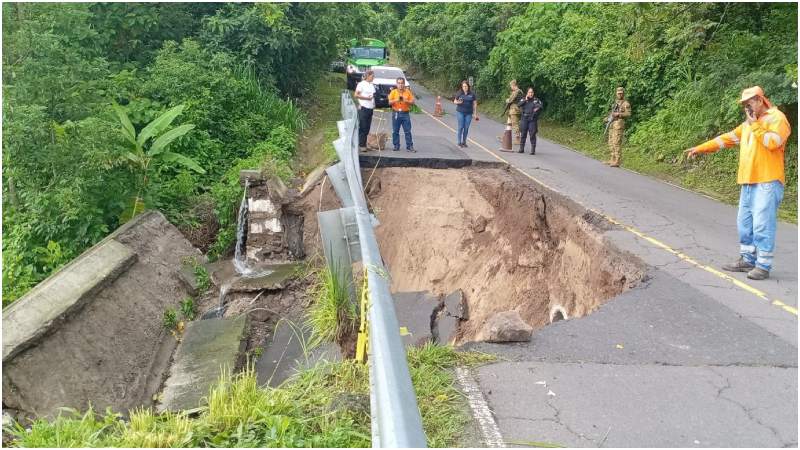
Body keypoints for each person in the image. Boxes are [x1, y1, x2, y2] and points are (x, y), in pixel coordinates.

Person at [684, 86, 791, 280]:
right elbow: (726, 139)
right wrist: (700, 148)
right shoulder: (747, 125)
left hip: (767, 180)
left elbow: (773, 142)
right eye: (744, 105)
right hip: (748, 181)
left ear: (760, 100)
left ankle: (763, 266)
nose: (746, 108)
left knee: (762, 224)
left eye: (749, 103)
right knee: (744, 223)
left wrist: (755, 125)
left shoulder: (777, 118)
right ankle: (748, 259)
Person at [604, 87, 631, 167]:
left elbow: (628, 114)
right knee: (611, 142)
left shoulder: (626, 104)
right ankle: (612, 159)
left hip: (619, 125)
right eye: (618, 93)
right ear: (616, 94)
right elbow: (612, 113)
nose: (620, 94)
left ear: (623, 94)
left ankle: (617, 161)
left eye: (621, 93)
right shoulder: (615, 103)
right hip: (612, 124)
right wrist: (607, 118)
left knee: (616, 143)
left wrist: (619, 114)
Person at [387, 77, 416, 152]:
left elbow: (413, 102)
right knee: (395, 131)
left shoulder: (408, 92)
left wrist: (406, 100)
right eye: (399, 83)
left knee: (407, 131)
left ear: (404, 84)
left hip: (405, 113)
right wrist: (396, 99)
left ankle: (409, 146)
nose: (400, 85)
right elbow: (389, 102)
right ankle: (396, 146)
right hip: (396, 113)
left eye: (402, 83)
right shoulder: (393, 92)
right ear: (396, 84)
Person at [517, 87, 543, 155]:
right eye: (529, 92)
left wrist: (536, 108)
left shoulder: (536, 100)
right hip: (524, 119)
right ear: (527, 93)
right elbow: (518, 105)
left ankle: (533, 150)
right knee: (523, 134)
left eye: (532, 92)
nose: (531, 94)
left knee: (532, 134)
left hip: (532, 119)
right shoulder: (523, 99)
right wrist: (525, 100)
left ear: (533, 93)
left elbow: (540, 106)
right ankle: (521, 148)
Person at [453, 79, 478, 148]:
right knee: (461, 127)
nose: (464, 88)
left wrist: (475, 113)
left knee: (466, 128)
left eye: (466, 86)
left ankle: (464, 142)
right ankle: (459, 142)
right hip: (460, 112)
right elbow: (454, 101)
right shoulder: (459, 93)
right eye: (463, 86)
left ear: (468, 87)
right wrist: (458, 102)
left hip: (469, 113)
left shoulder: (472, 94)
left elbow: (475, 104)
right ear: (462, 87)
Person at [355, 70, 376, 151]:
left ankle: (364, 143)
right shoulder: (361, 84)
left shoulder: (371, 85)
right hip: (363, 107)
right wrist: (367, 98)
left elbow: (372, 96)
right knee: (363, 126)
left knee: (367, 127)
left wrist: (374, 104)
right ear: (367, 76)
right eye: (372, 76)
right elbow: (356, 95)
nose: (373, 77)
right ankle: (361, 145)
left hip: (370, 108)